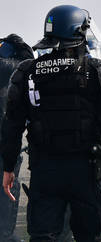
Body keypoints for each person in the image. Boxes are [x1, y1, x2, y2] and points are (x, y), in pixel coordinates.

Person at [0, 5, 101, 242]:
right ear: (78, 32)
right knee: (88, 234)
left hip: (44, 170)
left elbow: (12, 124)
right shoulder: (95, 70)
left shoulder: (27, 71)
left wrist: (8, 166)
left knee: (42, 235)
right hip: (84, 169)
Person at [0, 34, 34, 242]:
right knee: (7, 188)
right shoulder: (6, 70)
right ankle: (5, 234)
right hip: (4, 144)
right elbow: (27, 62)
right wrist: (19, 43)